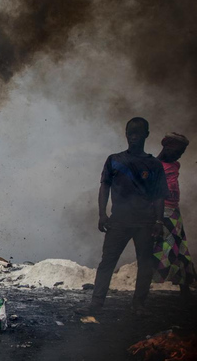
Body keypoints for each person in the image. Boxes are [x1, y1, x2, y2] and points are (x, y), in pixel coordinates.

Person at [80, 117, 168, 316]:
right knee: (107, 262)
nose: (134, 137)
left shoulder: (154, 165)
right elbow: (104, 186)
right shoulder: (114, 160)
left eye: (138, 133)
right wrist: (102, 214)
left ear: (147, 134)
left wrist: (159, 221)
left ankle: (139, 305)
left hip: (145, 222)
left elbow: (159, 195)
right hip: (118, 220)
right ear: (126, 134)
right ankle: (96, 304)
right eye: (130, 133)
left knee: (145, 264)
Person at [152, 132, 195, 298]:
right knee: (163, 249)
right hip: (160, 211)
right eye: (177, 151)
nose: (179, 155)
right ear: (166, 146)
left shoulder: (176, 165)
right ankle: (148, 284)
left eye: (182, 152)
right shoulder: (154, 165)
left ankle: (184, 286)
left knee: (180, 250)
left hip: (174, 213)